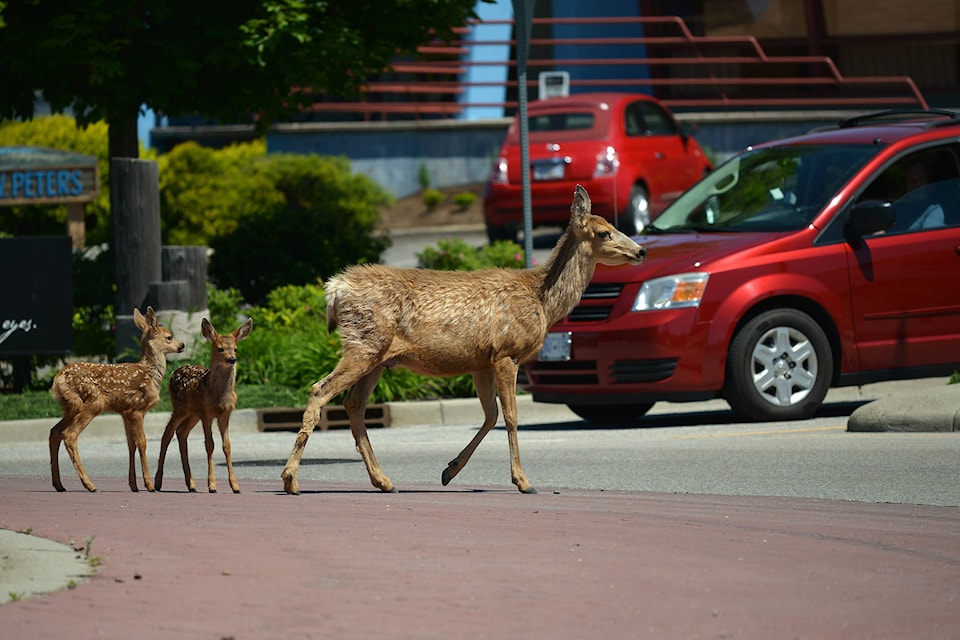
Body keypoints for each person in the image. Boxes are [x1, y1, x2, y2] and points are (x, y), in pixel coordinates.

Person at [902, 162, 945, 230]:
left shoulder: (933, 210)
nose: (915, 186)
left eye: (919, 180)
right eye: (911, 181)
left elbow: (930, 237)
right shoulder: (897, 208)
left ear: (930, 186)